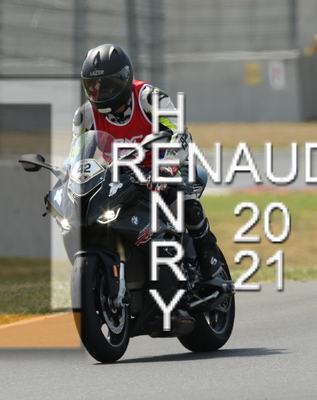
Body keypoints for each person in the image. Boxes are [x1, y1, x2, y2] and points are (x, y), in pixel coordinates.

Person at [71, 43, 223, 280]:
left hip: (166, 166)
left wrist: (166, 166)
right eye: (93, 86)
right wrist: (68, 178)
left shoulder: (149, 98)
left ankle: (208, 254)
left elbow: (181, 135)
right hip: (120, 176)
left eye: (107, 85)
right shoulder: (85, 115)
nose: (100, 93)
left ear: (124, 79)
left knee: (186, 204)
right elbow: (77, 155)